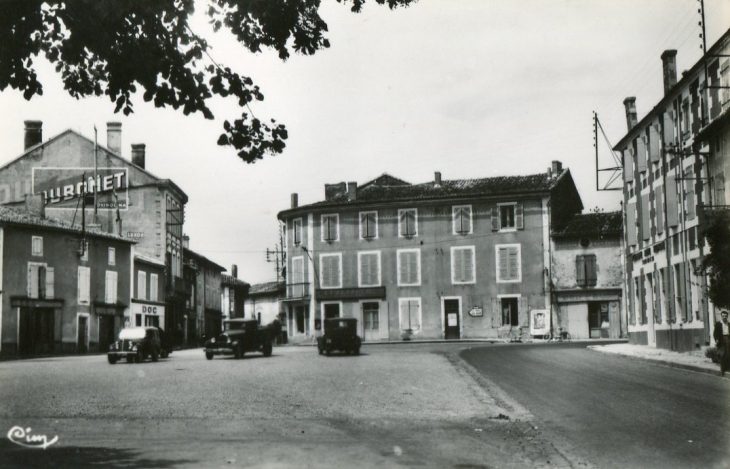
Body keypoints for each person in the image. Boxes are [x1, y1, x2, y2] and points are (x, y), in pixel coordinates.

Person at [713, 310, 730, 376]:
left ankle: (728, 368)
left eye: (725, 316)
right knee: (722, 354)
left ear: (727, 316)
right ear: (721, 316)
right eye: (723, 316)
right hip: (721, 339)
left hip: (728, 339)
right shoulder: (718, 324)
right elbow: (715, 333)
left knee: (728, 354)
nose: (724, 317)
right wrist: (716, 339)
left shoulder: (729, 324)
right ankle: (723, 370)